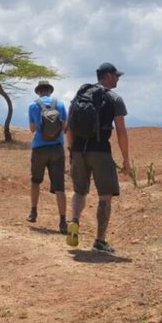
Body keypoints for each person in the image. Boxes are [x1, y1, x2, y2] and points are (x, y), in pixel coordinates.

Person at [66, 62, 131, 254]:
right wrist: (126, 158)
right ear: (108, 76)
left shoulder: (80, 96)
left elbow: (69, 128)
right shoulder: (114, 98)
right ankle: (100, 241)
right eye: (116, 76)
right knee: (105, 196)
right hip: (101, 150)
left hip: (79, 150)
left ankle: (74, 221)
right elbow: (121, 131)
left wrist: (71, 152)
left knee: (79, 191)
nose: (118, 79)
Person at [27, 81, 69, 232]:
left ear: (38, 92)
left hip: (39, 147)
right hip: (57, 148)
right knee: (59, 187)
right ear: (50, 91)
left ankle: (33, 211)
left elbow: (32, 129)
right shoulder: (60, 104)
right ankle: (63, 221)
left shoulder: (33, 106)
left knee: (35, 181)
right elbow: (65, 127)